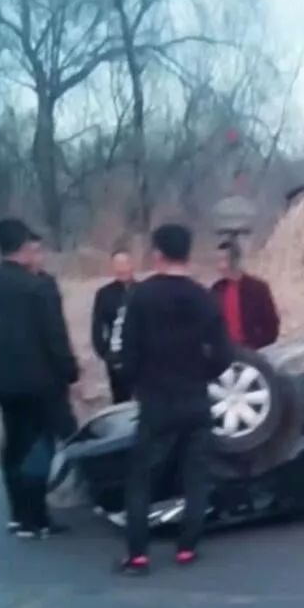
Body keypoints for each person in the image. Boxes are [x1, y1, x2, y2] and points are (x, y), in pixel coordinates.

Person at [118, 223, 234, 575]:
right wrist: (205, 372)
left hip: (156, 401)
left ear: (157, 254)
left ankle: (138, 554)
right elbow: (225, 354)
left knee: (141, 478)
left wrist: (135, 383)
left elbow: (128, 353)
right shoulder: (204, 297)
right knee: (196, 476)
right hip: (195, 399)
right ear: (187, 252)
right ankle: (187, 548)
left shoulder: (139, 296)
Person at [0, 218, 79, 538]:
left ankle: (18, 513)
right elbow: (55, 338)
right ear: (26, 248)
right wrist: (70, 372)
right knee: (39, 448)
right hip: (40, 382)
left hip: (1, 383)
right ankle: (36, 516)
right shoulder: (39, 288)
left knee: (13, 445)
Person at [28, 232, 78, 440]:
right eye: (36, 252)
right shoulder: (41, 288)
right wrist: (68, 368)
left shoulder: (47, 281)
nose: (40, 258)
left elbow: (58, 327)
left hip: (47, 375)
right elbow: (55, 333)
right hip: (42, 374)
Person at [211, 238, 280, 349]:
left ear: (235, 261)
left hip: (251, 352)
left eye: (222, 261)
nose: (218, 267)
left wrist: (257, 348)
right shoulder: (217, 290)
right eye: (217, 261)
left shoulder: (258, 289)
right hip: (225, 354)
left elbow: (271, 325)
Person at [91, 248, 136, 404]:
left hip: (141, 355)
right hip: (116, 355)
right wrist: (104, 352)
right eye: (117, 264)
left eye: (124, 263)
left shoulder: (143, 290)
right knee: (120, 400)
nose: (121, 268)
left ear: (132, 265)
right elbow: (97, 326)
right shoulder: (104, 293)